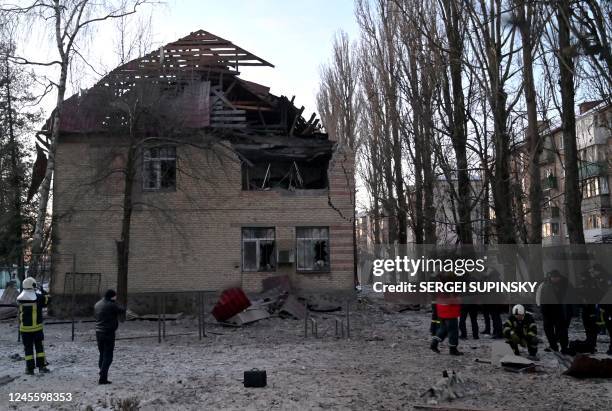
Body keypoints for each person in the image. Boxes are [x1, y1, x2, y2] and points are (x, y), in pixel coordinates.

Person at [17, 277, 50, 375]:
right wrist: (43, 291)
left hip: (24, 330)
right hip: (37, 329)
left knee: (28, 349)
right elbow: (48, 300)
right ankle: (41, 367)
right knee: (39, 348)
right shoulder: (39, 297)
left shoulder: (20, 298)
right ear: (33, 285)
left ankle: (29, 369)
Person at [94, 289, 126, 385]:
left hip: (98, 331)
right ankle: (103, 376)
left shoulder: (98, 304)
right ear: (112, 296)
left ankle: (102, 374)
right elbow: (122, 310)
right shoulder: (111, 305)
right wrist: (116, 302)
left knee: (102, 354)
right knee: (108, 356)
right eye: (115, 296)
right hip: (108, 332)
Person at [538, 269, 571, 354]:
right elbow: (540, 296)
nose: (554, 279)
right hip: (547, 310)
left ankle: (564, 347)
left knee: (561, 330)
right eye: (552, 277)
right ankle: (553, 346)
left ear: (559, 277)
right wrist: (541, 308)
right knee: (549, 330)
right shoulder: (545, 284)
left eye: (555, 277)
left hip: (559, 311)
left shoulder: (564, 284)